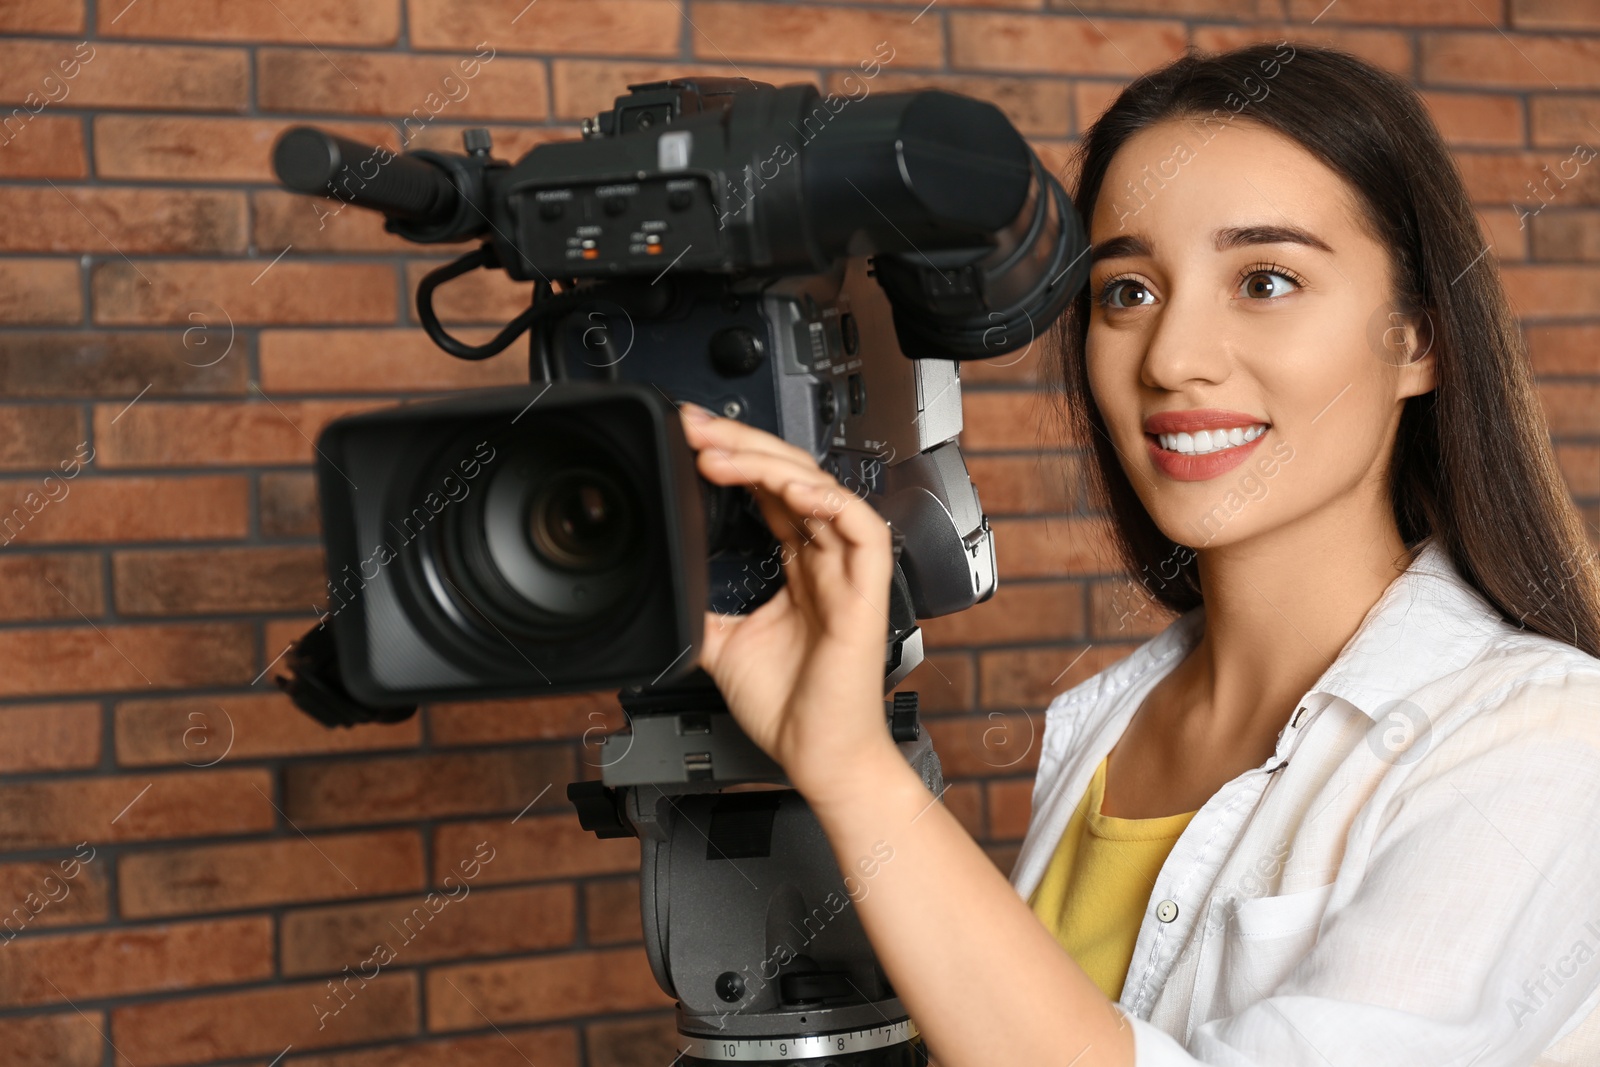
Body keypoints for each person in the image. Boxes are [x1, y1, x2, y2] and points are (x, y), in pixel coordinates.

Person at [674, 42, 1600, 1066]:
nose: (1170, 357)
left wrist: (854, 770)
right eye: (1126, 292)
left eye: (1264, 278)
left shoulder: (1541, 739)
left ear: (1417, 339)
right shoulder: (1106, 719)